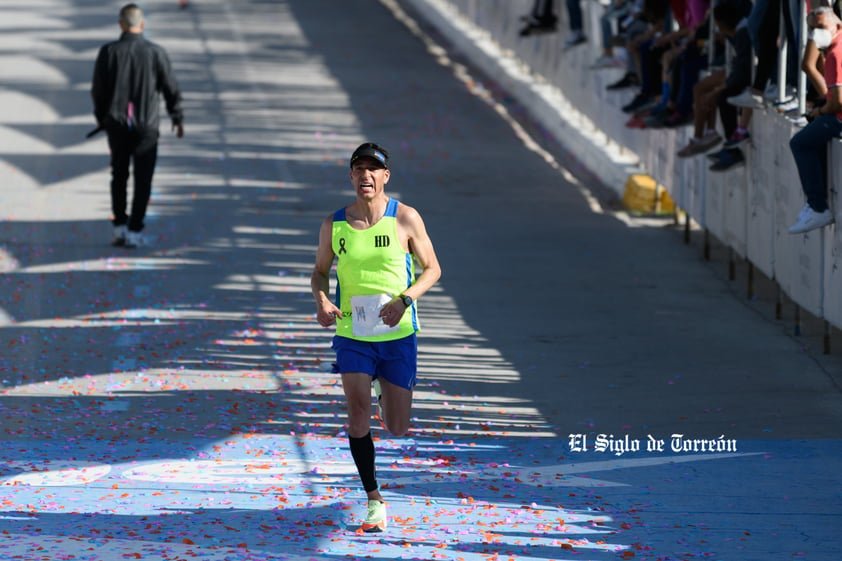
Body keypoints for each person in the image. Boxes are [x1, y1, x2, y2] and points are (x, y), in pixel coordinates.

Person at [310, 142, 442, 532]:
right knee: (356, 415)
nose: (366, 175)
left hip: (397, 333)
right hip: (352, 332)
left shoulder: (405, 218)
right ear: (351, 176)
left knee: (397, 426)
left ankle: (387, 393)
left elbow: (433, 269)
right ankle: (374, 499)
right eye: (359, 168)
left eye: (373, 169)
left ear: (386, 176)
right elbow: (319, 271)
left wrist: (406, 299)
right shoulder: (334, 224)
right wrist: (320, 299)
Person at [91, 3, 184, 248]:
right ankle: (135, 229)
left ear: (121, 24)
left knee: (118, 174)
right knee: (144, 178)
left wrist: (102, 118)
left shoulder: (108, 52)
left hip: (118, 124)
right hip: (146, 125)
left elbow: (98, 91)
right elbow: (170, 88)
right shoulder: (156, 52)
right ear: (142, 24)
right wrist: (177, 116)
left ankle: (119, 226)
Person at [787, 7, 842, 233]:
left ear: (837, 26)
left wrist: (820, 112)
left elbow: (838, 103)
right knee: (813, 134)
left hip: (838, 118)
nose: (815, 33)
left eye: (820, 27)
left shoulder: (835, 55)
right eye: (811, 28)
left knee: (798, 143)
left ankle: (818, 207)